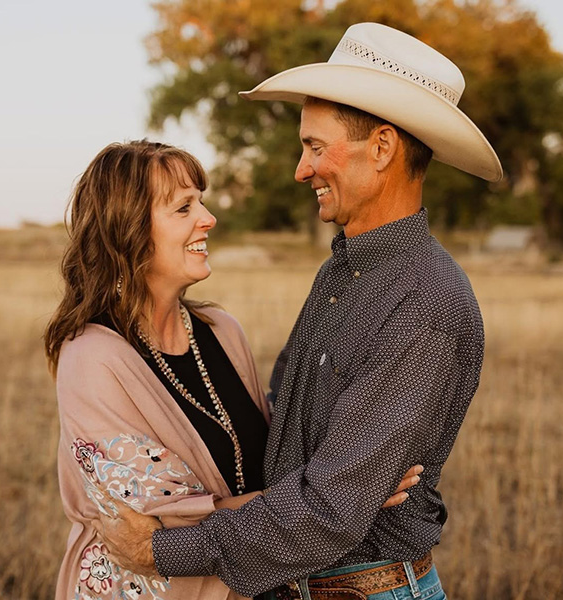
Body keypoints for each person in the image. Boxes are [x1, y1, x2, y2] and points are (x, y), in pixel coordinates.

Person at [95, 22, 502, 600]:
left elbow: (331, 512)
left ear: (381, 147)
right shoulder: (342, 270)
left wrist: (160, 550)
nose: (300, 169)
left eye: (315, 147)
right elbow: (285, 437)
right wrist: (345, 475)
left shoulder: (426, 301)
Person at [45, 139, 416, 600]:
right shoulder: (91, 356)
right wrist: (341, 492)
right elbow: (157, 528)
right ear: (128, 231)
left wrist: (349, 475)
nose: (208, 218)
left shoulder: (222, 331)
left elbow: (270, 467)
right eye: (183, 208)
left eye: (200, 200)